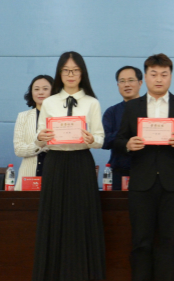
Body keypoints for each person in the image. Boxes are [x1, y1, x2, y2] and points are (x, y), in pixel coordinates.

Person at [113, 53, 174, 281]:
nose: (159, 79)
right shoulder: (133, 107)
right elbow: (119, 140)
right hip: (141, 184)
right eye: (154, 74)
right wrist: (128, 144)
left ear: (171, 76)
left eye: (164, 74)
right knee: (141, 242)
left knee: (169, 242)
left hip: (172, 185)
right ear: (145, 78)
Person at [33, 52, 106, 281]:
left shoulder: (92, 102)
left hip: (81, 163)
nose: (70, 74)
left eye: (75, 70)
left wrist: (91, 139)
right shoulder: (50, 102)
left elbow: (100, 138)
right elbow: (39, 138)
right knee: (54, 218)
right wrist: (40, 137)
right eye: (66, 70)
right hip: (54, 163)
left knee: (81, 219)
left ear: (82, 73)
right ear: (60, 73)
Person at [103, 66, 144, 190]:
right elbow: (104, 141)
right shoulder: (111, 112)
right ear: (118, 85)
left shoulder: (150, 109)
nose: (127, 85)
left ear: (140, 83)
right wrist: (126, 135)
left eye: (131, 80)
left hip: (146, 171)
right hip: (119, 172)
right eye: (122, 81)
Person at [13, 74, 54, 191]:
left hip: (55, 172)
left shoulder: (61, 117)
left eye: (45, 89)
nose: (40, 92)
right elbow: (18, 150)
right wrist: (39, 143)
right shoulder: (23, 117)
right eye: (36, 89)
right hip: (29, 175)